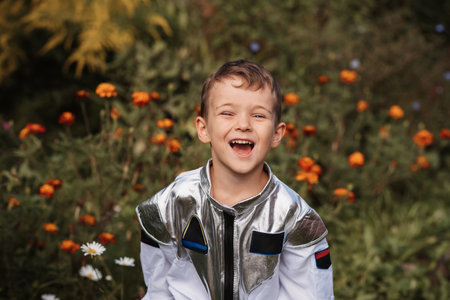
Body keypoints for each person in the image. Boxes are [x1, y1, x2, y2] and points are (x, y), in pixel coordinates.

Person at [136, 59, 334, 299]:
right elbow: (158, 290)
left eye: (259, 115)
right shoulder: (171, 204)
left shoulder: (294, 216)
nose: (243, 125)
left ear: (277, 133)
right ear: (203, 128)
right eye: (227, 113)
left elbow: (310, 294)